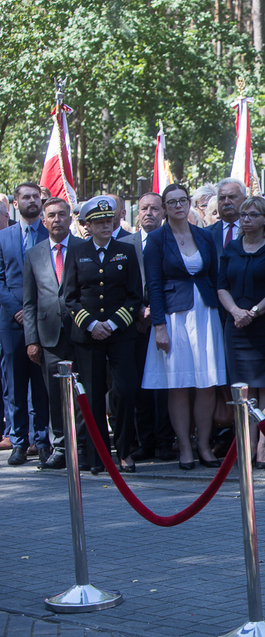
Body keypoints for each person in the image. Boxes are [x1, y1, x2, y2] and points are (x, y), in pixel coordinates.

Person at [142, 183, 227, 470]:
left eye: (182, 201)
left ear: (189, 204)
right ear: (164, 208)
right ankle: (185, 448)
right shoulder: (156, 239)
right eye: (172, 202)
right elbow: (153, 285)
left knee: (206, 383)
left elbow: (214, 277)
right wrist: (159, 326)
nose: (178, 206)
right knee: (178, 385)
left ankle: (204, 445)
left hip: (205, 315)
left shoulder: (204, 235)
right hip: (173, 317)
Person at [62, 196, 143, 475]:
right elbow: (69, 297)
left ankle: (124, 451)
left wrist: (111, 323)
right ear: (88, 225)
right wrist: (91, 325)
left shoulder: (126, 250)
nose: (106, 226)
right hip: (87, 336)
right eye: (100, 223)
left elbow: (135, 295)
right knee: (93, 395)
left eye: (109, 221)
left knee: (125, 390)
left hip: (120, 333)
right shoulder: (77, 251)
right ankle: (98, 456)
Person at [217, 196, 265, 469]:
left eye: (253, 215)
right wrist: (235, 312)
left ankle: (264, 445)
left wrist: (253, 312)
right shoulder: (231, 247)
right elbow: (221, 285)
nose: (246, 219)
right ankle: (247, 445)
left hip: (264, 325)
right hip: (236, 326)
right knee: (244, 389)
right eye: (243, 215)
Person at [23, 197, 83, 470]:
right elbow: (29, 302)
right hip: (48, 337)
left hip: (81, 333)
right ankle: (60, 447)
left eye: (61, 214)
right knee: (55, 394)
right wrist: (32, 340)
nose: (56, 219)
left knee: (82, 392)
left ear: (70, 218)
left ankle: (82, 447)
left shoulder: (83, 247)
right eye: (51, 215)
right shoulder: (34, 254)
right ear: (43, 220)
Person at [0, 183, 50, 466]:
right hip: (12, 321)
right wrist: (18, 310)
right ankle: (18, 441)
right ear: (15, 203)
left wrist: (34, 312)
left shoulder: (49, 233)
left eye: (35, 197)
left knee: (41, 384)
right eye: (26, 197)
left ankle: (42, 441)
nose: (32, 201)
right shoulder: (4, 237)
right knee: (15, 384)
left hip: (43, 320)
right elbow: (0, 279)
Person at [125, 192, 176, 462]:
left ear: (163, 212)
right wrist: (138, 312)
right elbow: (120, 286)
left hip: (165, 322)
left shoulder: (173, 240)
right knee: (140, 386)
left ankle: (166, 441)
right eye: (144, 208)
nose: (149, 213)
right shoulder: (125, 244)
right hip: (135, 326)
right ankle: (145, 441)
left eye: (154, 209)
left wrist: (156, 314)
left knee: (166, 386)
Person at [210, 178, 244, 260]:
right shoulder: (207, 234)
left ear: (244, 200)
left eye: (232, 197)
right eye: (222, 198)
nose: (226, 202)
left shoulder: (257, 231)